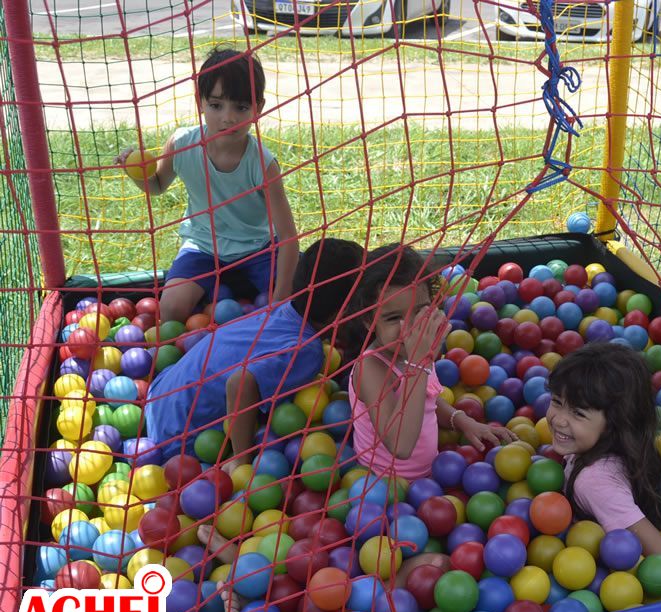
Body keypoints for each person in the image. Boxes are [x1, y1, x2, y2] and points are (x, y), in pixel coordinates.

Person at [115, 47, 298, 323]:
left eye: (241, 107)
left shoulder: (262, 163)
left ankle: (228, 292)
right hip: (203, 246)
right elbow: (157, 185)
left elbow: (288, 236)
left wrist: (280, 300)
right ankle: (215, 292)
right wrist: (136, 173)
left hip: (259, 249)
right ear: (200, 102)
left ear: (258, 108)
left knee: (300, 299)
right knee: (170, 311)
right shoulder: (181, 144)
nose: (228, 118)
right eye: (216, 105)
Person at [144, 238, 364, 466]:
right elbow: (240, 383)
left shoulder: (282, 308)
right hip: (179, 441)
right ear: (344, 311)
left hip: (158, 397)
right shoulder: (307, 351)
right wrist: (242, 460)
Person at [348, 244, 516, 482]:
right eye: (393, 318)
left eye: (419, 312)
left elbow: (426, 399)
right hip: (383, 485)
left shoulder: (418, 351)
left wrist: (462, 421)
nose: (409, 328)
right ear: (369, 321)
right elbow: (400, 446)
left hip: (431, 478)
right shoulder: (372, 368)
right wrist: (419, 363)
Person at [546, 342, 661, 566]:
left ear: (612, 424)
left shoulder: (593, 483)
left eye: (578, 413)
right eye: (557, 402)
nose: (559, 420)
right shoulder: (602, 444)